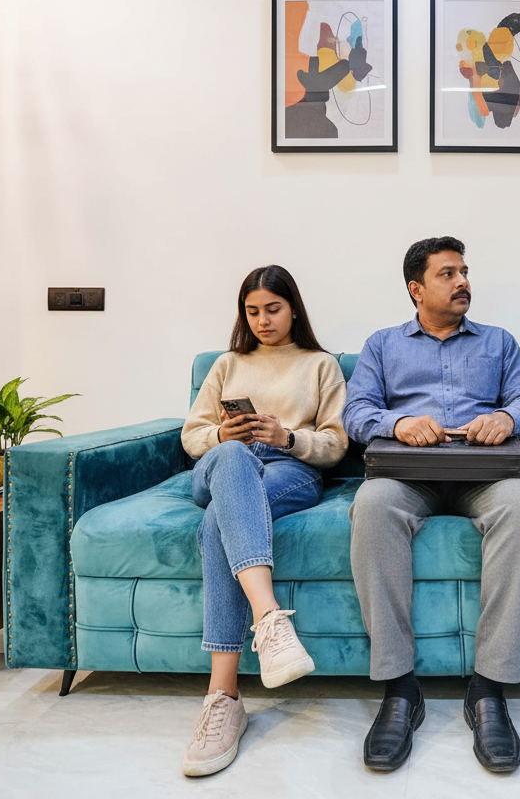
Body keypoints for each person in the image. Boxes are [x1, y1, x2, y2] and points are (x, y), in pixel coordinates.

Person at [343, 236, 520, 774]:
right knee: (372, 505)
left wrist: (507, 418)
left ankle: (489, 688)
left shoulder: (498, 342)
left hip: (485, 472)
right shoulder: (382, 345)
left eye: (464, 272)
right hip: (410, 473)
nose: (462, 282)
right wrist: (397, 423)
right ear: (417, 289)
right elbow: (356, 412)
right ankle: (399, 688)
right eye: (447, 274)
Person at [179, 265, 348, 777]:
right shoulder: (227, 364)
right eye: (252, 312)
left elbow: (337, 444)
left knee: (218, 527)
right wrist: (223, 438)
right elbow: (192, 436)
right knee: (232, 463)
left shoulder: (321, 365)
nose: (262, 320)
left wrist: (286, 438)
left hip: (287, 470)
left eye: (272, 309)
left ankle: (224, 698)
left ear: (293, 307)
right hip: (222, 464)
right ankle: (271, 621)